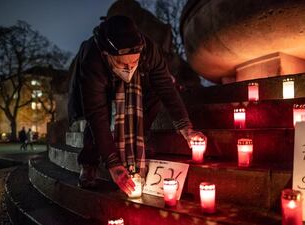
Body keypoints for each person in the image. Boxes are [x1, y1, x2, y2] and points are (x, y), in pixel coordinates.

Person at [68, 15, 206, 195]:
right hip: (102, 87)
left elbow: (166, 88)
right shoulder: (92, 58)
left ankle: (142, 136)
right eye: (122, 63)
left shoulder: (150, 51)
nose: (128, 68)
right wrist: (113, 163)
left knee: (154, 94)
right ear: (106, 55)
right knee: (95, 122)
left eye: (134, 61)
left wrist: (186, 128)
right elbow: (96, 114)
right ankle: (88, 164)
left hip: (139, 86)